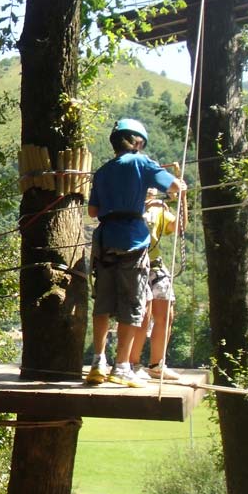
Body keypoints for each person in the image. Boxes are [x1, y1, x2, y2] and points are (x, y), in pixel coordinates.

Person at [87, 118, 186, 388]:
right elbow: (173, 187)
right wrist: (180, 186)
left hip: (105, 241)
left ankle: (97, 362)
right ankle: (121, 367)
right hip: (132, 240)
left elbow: (93, 211)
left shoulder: (103, 172)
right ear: (138, 142)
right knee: (133, 304)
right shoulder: (142, 162)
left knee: (103, 303)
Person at [126, 188, 181, 381]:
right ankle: (132, 363)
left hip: (155, 265)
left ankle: (157, 364)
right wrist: (145, 204)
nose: (151, 189)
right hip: (136, 264)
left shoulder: (159, 209)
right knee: (143, 315)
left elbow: (179, 227)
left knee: (166, 314)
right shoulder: (129, 202)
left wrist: (181, 200)